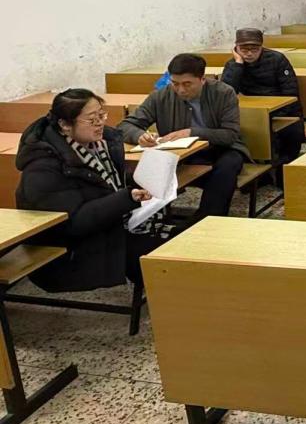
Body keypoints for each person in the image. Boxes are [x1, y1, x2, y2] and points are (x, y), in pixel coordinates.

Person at [15, 89, 163, 292]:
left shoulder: (100, 145)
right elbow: (71, 224)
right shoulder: (43, 167)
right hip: (71, 252)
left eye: (102, 115)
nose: (100, 123)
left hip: (104, 229)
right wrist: (126, 198)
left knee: (174, 239)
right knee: (160, 258)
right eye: (92, 119)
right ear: (65, 125)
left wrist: (139, 183)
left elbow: (104, 185)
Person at [119, 53, 248, 221]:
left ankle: (207, 220)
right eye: (175, 83)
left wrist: (191, 132)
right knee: (135, 171)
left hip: (219, 150)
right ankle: (147, 220)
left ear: (202, 79)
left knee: (228, 165)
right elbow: (125, 126)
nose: (181, 90)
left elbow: (230, 135)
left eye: (187, 84)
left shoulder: (223, 93)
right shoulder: (160, 96)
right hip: (179, 154)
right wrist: (139, 135)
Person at [220, 28, 304, 163]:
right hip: (253, 112)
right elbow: (226, 94)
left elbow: (291, 92)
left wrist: (272, 114)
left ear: (261, 47)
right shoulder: (233, 64)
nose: (249, 53)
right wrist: (238, 64)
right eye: (244, 49)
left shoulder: (277, 59)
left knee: (290, 134)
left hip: (282, 111)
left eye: (254, 49)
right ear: (236, 49)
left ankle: (281, 169)